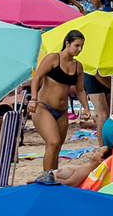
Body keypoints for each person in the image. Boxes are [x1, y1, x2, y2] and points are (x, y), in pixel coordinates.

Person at [29, 30, 86, 182]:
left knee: (57, 147)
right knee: (53, 142)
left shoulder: (78, 67)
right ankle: (46, 177)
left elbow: (80, 90)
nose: (79, 50)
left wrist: (86, 108)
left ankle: (51, 177)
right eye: (76, 45)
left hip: (62, 111)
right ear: (67, 43)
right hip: (43, 107)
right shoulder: (53, 59)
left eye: (81, 46)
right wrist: (33, 99)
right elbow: (37, 78)